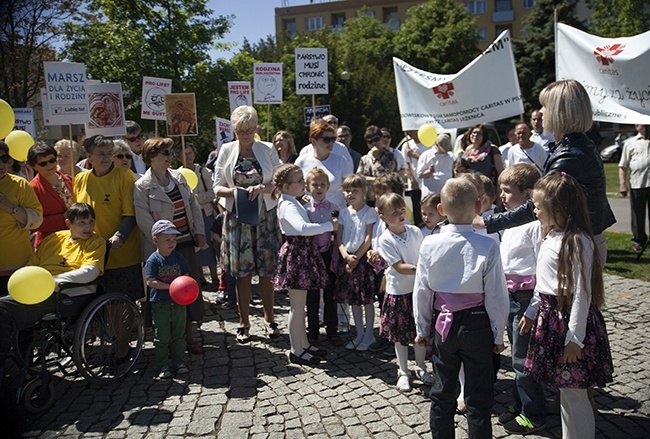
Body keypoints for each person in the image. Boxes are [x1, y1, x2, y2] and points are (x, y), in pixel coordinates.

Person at [480, 80, 616, 264]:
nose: (541, 112)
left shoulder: (571, 155)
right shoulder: (575, 146)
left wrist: (488, 222)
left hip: (578, 244)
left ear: (561, 112)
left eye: (545, 106)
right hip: (580, 239)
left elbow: (540, 202)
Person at [414, 177, 508, 439]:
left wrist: (422, 328)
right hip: (477, 324)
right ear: (479, 205)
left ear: (441, 209)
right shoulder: (488, 245)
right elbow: (497, 296)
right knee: (479, 396)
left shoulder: (429, 244)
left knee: (442, 392)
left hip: (444, 325)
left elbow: (422, 291)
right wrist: (498, 333)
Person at [520, 172, 613, 439]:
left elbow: (583, 293)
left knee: (575, 392)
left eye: (538, 206)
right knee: (565, 390)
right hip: (550, 319)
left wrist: (575, 338)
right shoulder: (549, 235)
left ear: (557, 208)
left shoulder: (577, 241)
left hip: (569, 322)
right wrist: (531, 311)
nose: (534, 211)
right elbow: (543, 282)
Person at [0, 203, 104, 388]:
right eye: (82, 222)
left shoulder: (95, 242)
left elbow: (90, 272)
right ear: (68, 223)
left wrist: (52, 280)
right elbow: (32, 265)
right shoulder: (54, 239)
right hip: (37, 289)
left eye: (91, 222)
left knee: (3, 311)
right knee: (4, 308)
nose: (88, 227)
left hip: (65, 293)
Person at [213, 106, 282, 343]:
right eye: (240, 131)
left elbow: (279, 183)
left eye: (249, 131)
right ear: (234, 130)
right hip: (237, 218)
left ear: (256, 129)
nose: (245, 135)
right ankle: (243, 322)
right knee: (242, 274)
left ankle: (269, 318)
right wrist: (235, 192)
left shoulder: (268, 149)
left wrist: (262, 188)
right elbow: (216, 186)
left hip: (265, 218)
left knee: (266, 271)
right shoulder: (226, 150)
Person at [134, 137, 206, 354]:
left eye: (170, 152)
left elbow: (193, 205)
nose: (170, 156)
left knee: (188, 290)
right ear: (151, 156)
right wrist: (163, 240)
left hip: (184, 243)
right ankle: (166, 340)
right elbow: (143, 218)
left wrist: (200, 232)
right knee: (165, 294)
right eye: (165, 153)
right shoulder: (142, 186)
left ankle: (189, 337)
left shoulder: (180, 177)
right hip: (161, 250)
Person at [494, 164, 547, 434]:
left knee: (523, 360)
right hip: (510, 297)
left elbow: (542, 269)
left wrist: (532, 309)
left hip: (526, 300)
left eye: (507, 191)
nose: (501, 196)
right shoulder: (510, 222)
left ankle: (534, 412)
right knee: (517, 356)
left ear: (527, 195)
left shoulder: (535, 227)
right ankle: (520, 403)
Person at [271, 164, 336, 365]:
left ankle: (304, 343)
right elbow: (302, 228)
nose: (303, 185)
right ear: (286, 186)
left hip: (302, 252)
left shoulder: (293, 201)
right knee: (297, 307)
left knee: (301, 306)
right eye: (299, 182)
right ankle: (296, 350)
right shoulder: (288, 205)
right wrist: (328, 226)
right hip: (297, 253)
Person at [74, 135, 143, 301]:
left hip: (122, 255)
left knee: (122, 304)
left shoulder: (124, 176)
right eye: (101, 154)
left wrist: (120, 236)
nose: (106, 158)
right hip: (93, 255)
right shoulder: (80, 179)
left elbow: (131, 214)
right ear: (89, 156)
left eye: (109, 153)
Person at [375, 193, 432, 392]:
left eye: (402, 210)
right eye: (394, 212)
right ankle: (403, 371)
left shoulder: (415, 231)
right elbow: (399, 266)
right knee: (400, 336)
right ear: (382, 216)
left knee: (419, 331)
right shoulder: (385, 239)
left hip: (418, 289)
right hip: (399, 292)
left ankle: (421, 367)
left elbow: (424, 253)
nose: (400, 215)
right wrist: (423, 269)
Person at [145, 220, 191, 379]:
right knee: (162, 337)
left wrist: (184, 287)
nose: (172, 243)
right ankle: (163, 364)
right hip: (160, 305)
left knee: (179, 334)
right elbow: (150, 281)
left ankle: (179, 362)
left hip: (178, 304)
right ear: (155, 240)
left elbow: (186, 276)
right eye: (167, 240)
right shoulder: (153, 260)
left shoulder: (178, 257)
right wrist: (171, 287)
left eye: (174, 240)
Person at [336, 174, 377, 351]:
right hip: (348, 260)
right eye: (347, 190)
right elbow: (339, 239)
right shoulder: (344, 213)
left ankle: (369, 335)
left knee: (366, 300)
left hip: (362, 260)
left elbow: (368, 239)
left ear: (364, 192)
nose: (350, 194)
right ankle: (359, 333)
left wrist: (356, 258)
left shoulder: (369, 212)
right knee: (353, 300)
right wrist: (346, 256)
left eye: (355, 190)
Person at [303, 167, 342, 346]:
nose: (319, 188)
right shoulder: (304, 209)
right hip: (311, 257)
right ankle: (312, 331)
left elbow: (339, 232)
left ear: (328, 187)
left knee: (330, 294)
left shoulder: (334, 208)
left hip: (329, 255)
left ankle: (332, 329)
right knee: (312, 296)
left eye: (323, 185)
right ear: (307, 186)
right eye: (315, 184)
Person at [0, 140, 43, 295]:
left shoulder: (20, 185)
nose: (1, 164)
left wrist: (10, 208)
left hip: (17, 267)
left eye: (4, 158)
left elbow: (37, 219)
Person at [175, 142, 218, 286]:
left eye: (190, 153)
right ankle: (200, 277)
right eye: (184, 154)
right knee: (195, 247)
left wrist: (194, 200)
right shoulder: (177, 174)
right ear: (179, 157)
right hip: (188, 215)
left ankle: (215, 277)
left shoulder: (203, 172)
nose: (188, 157)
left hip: (204, 213)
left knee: (207, 245)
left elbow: (212, 193)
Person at [295, 120, 353, 209]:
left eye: (333, 139)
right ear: (313, 141)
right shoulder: (301, 161)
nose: (331, 143)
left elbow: (350, 187)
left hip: (336, 213)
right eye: (326, 140)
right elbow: (294, 186)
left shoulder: (341, 161)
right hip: (309, 213)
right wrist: (300, 197)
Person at [27, 142, 74, 248]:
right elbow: (33, 223)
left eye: (52, 160)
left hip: (74, 240)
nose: (49, 165)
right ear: (34, 166)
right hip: (51, 243)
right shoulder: (32, 188)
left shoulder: (70, 180)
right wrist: (65, 218)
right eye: (43, 163)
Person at [618, 124, 650, 251]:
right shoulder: (630, 143)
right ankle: (639, 240)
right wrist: (622, 184)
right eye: (641, 124)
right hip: (638, 183)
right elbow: (623, 166)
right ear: (637, 126)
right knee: (637, 214)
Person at [357, 125, 398, 193]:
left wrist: (376, 159)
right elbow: (359, 177)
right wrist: (375, 179)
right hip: (369, 197)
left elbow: (387, 178)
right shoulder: (364, 159)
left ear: (382, 138)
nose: (374, 143)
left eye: (376, 139)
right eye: (370, 141)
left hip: (385, 195)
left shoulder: (390, 156)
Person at [416, 133, 454, 198]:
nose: (445, 152)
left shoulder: (451, 157)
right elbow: (419, 175)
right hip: (430, 195)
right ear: (436, 145)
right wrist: (429, 171)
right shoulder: (426, 155)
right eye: (443, 149)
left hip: (446, 195)